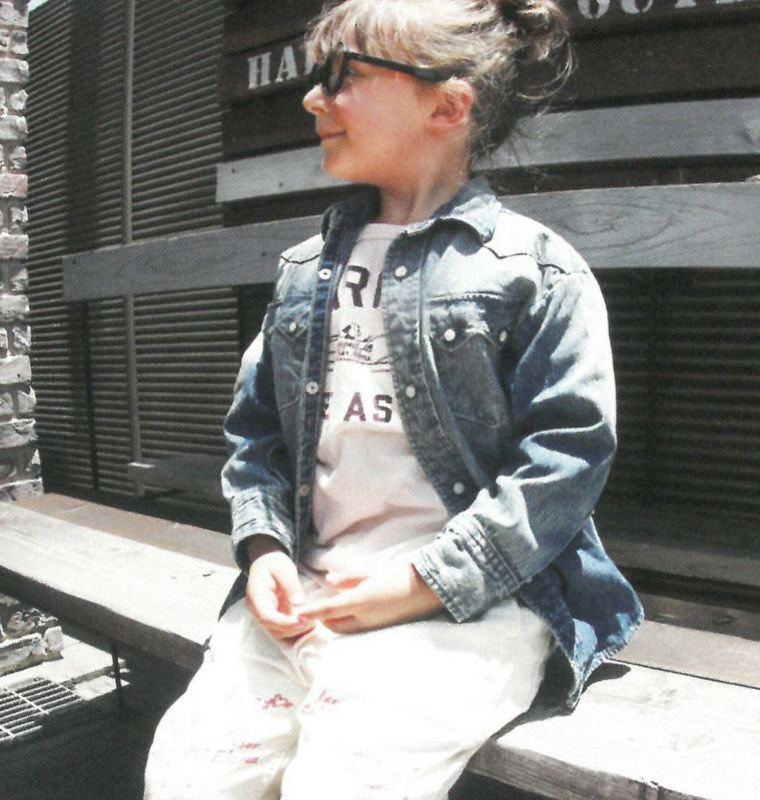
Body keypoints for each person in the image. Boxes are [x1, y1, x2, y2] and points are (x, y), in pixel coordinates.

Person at [144, 1, 642, 797]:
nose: (314, 97)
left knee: (343, 784)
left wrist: (420, 585)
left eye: (343, 76)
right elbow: (256, 437)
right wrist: (265, 549)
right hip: (304, 598)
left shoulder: (534, 271)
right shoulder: (304, 271)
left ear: (446, 106)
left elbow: (565, 460)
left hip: (467, 612)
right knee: (188, 779)